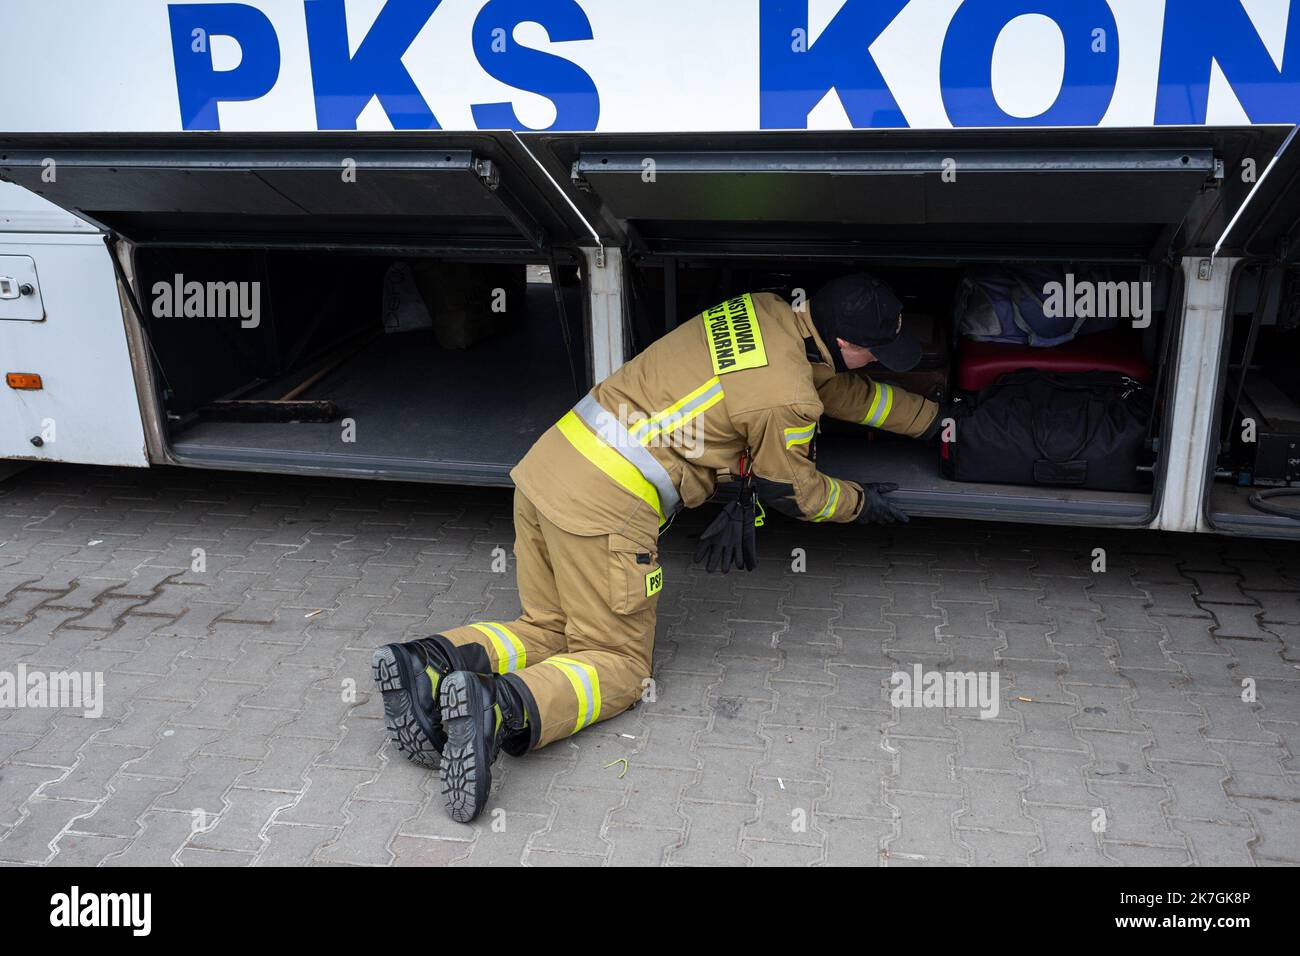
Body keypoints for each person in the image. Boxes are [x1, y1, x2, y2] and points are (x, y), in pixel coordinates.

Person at [372, 272, 941, 822]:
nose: (880, 361)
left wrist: (932, 419)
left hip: (548, 471)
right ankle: (498, 708)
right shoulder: (785, 399)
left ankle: (424, 661)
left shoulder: (765, 311)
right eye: (877, 351)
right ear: (843, 342)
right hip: (607, 511)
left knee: (547, 628)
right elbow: (796, 493)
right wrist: (863, 503)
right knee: (619, 665)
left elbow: (833, 388)